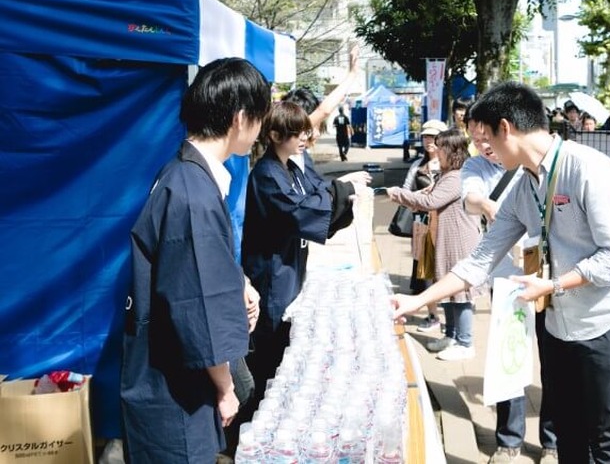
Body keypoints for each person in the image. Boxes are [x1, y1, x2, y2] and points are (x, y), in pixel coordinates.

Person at [392, 81, 610, 463]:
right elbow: (479, 259)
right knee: (567, 434)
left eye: (487, 139)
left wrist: (553, 283)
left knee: (607, 441)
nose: (486, 150)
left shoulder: (589, 169)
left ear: (506, 128)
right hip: (559, 326)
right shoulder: (524, 185)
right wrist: (416, 300)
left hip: (609, 323)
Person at [121, 58, 269, 463]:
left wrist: (238, 282)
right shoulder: (193, 194)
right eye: (259, 117)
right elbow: (196, 304)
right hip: (176, 388)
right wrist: (225, 387)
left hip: (170, 376)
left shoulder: (185, 175)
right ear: (241, 118)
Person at [241, 101, 367, 414]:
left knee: (285, 343)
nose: (303, 139)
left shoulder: (291, 167)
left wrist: (343, 191)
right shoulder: (267, 174)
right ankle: (256, 416)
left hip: (290, 266)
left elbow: (317, 194)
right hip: (272, 271)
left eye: (304, 133)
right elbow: (300, 211)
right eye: (295, 133)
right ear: (273, 135)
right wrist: (343, 188)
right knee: (270, 347)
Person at [461, 111, 557, 463]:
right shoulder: (475, 168)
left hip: (547, 276)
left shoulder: (533, 162)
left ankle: (553, 439)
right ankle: (509, 440)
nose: (484, 145)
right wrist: (485, 204)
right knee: (510, 356)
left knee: (553, 359)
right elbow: (471, 196)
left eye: (487, 136)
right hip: (505, 277)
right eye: (475, 137)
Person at [388, 128, 483, 361]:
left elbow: (431, 201)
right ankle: (451, 335)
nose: (436, 151)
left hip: (460, 241)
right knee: (447, 290)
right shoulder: (448, 175)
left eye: (440, 147)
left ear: (452, 151)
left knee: (460, 294)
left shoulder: (457, 176)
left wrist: (400, 194)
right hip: (448, 239)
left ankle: (465, 342)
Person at [400, 119, 448, 330]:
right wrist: (418, 199)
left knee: (447, 271)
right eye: (426, 136)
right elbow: (406, 191)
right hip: (423, 225)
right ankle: (432, 315)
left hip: (447, 225)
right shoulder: (417, 165)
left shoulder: (453, 166)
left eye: (433, 137)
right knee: (426, 272)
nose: (429, 141)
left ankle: (454, 321)